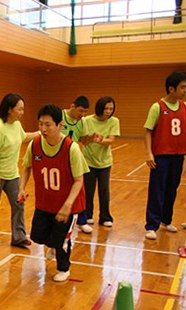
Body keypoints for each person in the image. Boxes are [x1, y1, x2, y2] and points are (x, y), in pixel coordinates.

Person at [19, 104, 89, 282]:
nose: (43, 128)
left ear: (60, 125)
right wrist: (21, 187)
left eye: (48, 124)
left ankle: (64, 269)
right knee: (37, 236)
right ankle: (53, 244)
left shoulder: (71, 148)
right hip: (45, 202)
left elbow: (79, 180)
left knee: (62, 242)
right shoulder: (34, 145)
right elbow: (27, 167)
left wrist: (67, 206)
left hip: (68, 204)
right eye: (40, 124)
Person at [0, 93, 39, 247]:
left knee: (19, 202)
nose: (22, 112)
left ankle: (19, 237)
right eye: (19, 109)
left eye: (23, 109)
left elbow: (24, 137)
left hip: (12, 173)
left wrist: (40, 134)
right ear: (9, 110)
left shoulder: (16, 125)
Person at [144, 71, 186, 240]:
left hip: (178, 155)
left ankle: (166, 220)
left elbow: (185, 131)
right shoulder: (157, 107)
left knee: (172, 189)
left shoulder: (185, 107)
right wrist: (149, 153)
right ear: (171, 88)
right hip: (161, 156)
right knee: (157, 190)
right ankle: (152, 225)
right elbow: (148, 131)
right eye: (183, 87)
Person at [82, 96, 120, 227]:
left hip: (105, 162)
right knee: (88, 189)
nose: (108, 111)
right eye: (106, 108)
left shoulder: (114, 121)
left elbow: (111, 140)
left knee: (104, 190)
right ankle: (87, 215)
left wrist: (100, 140)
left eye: (111, 109)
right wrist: (91, 138)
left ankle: (105, 217)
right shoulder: (86, 120)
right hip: (88, 160)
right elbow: (83, 139)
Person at [61, 96, 94, 234]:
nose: (83, 115)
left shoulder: (83, 122)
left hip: (74, 158)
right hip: (59, 158)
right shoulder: (60, 115)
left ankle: (82, 220)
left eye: (85, 112)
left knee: (80, 191)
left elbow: (84, 141)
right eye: (81, 111)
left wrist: (92, 138)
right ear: (72, 106)